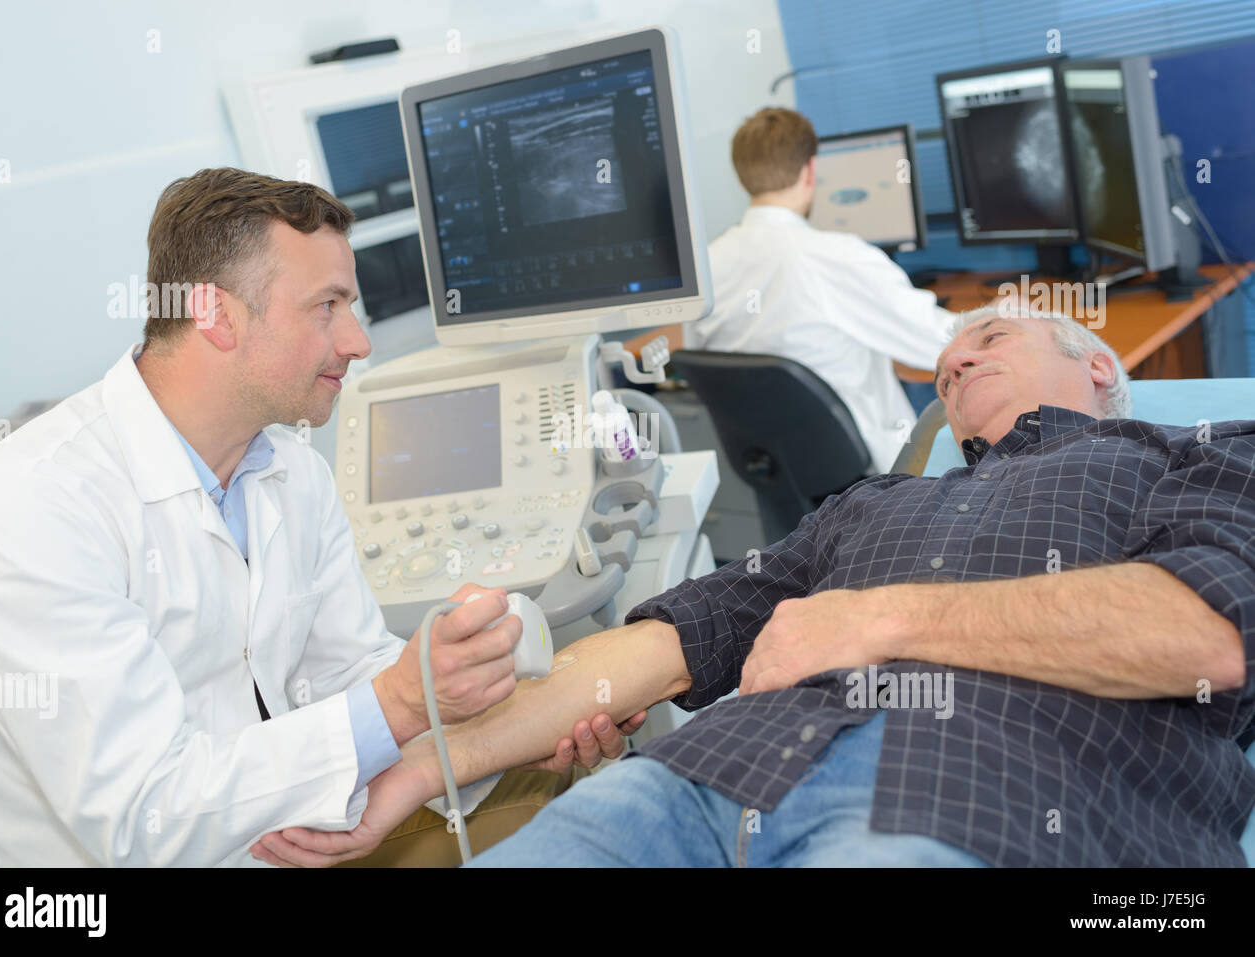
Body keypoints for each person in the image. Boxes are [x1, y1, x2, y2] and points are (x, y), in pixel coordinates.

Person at [260, 305, 1255, 868]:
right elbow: (658, 647)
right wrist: (426, 771)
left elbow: (1203, 634)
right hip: (695, 790)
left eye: (987, 341)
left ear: (1097, 369)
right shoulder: (866, 505)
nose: (952, 363)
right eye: (944, 369)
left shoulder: (1195, 455)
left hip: (982, 804)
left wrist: (873, 619)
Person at [0, 168, 637, 867]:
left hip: (283, 830)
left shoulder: (289, 468)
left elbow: (350, 672)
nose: (358, 340)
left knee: (588, 791)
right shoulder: (26, 510)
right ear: (216, 315)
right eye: (327, 306)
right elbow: (144, 818)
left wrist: (501, 707)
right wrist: (401, 699)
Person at [628, 107, 955, 473]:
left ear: (742, 180)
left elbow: (692, 344)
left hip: (778, 473)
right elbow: (945, 346)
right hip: (875, 481)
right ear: (811, 170)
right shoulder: (839, 257)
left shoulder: (705, 269)